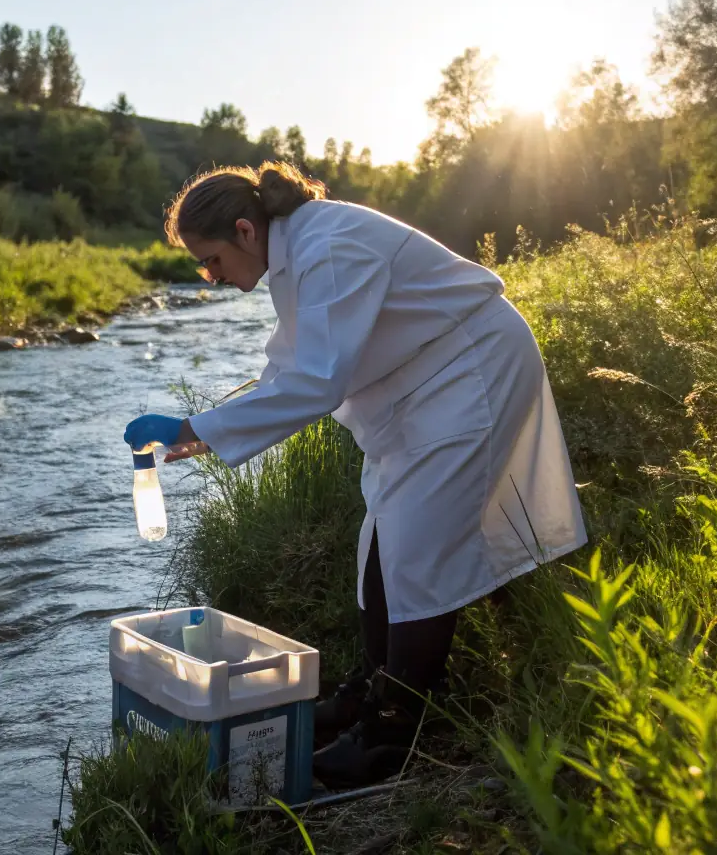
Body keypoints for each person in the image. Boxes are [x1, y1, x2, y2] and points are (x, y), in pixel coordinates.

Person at [124, 162, 587, 788]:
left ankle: (392, 735)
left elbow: (317, 383)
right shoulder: (296, 257)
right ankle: (372, 692)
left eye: (210, 261)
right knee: (384, 539)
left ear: (244, 230)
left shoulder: (328, 245)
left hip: (470, 369)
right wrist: (200, 435)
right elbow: (285, 375)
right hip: (425, 384)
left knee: (419, 552)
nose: (210, 278)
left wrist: (192, 427)